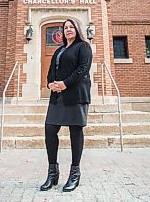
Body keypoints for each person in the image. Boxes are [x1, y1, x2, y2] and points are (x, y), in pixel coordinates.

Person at [40, 18, 93, 192]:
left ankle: (75, 174)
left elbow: (82, 69)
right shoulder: (59, 50)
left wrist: (65, 84)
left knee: (75, 131)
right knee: (50, 129)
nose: (68, 30)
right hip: (58, 96)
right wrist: (50, 84)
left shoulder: (83, 47)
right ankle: (52, 173)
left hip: (76, 95)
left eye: (71, 27)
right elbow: (50, 72)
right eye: (65, 28)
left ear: (77, 29)